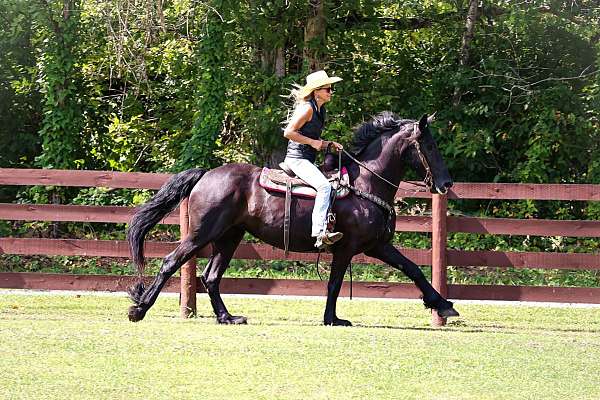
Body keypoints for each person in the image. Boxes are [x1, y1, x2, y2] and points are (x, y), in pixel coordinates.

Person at [282, 70, 344, 249]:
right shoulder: (308, 108)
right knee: (324, 187)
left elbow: (312, 139)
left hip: (306, 158)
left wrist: (328, 144)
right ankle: (319, 232)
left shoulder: (320, 109)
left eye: (331, 89)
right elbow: (289, 133)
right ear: (317, 91)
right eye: (328, 89)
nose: (331, 92)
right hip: (297, 158)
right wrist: (313, 142)